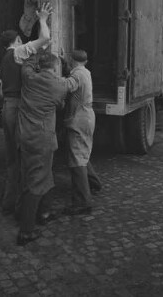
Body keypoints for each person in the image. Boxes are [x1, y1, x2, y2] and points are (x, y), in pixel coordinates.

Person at [16, 51, 79, 246]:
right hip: (41, 140)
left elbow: (27, 63)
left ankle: (45, 212)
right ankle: (26, 231)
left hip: (25, 137)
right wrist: (73, 68)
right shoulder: (58, 85)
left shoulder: (28, 77)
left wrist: (40, 50)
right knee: (35, 182)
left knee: (43, 175)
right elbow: (71, 86)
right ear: (54, 68)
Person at [0, 2, 52, 215]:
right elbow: (45, 39)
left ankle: (8, 203)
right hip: (18, 107)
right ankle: (25, 208)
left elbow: (1, 90)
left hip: (6, 107)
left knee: (12, 159)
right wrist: (42, 20)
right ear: (18, 40)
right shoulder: (19, 52)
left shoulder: (3, 58)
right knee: (26, 157)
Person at [63, 49, 100, 216]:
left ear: (73, 60)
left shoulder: (76, 76)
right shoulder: (85, 72)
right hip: (87, 116)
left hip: (79, 118)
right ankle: (94, 182)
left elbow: (63, 86)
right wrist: (64, 64)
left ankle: (83, 202)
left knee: (77, 157)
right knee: (83, 152)